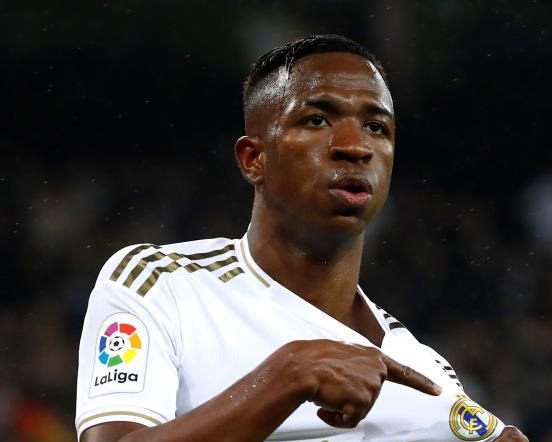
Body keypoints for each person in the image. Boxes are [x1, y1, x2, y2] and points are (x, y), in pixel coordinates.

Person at [75, 34, 528, 442]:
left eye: (376, 127)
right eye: (317, 120)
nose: (355, 146)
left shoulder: (428, 378)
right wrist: (290, 373)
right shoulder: (163, 284)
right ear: (253, 159)